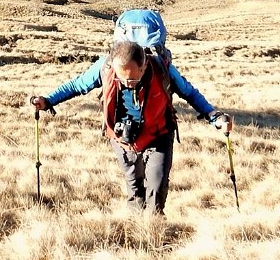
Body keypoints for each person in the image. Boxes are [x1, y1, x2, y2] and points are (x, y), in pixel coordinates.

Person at [30, 38, 232, 215]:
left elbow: (189, 93)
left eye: (133, 78)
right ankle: (137, 233)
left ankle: (154, 233)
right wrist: (47, 101)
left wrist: (215, 117)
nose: (127, 83)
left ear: (144, 65)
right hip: (122, 140)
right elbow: (76, 86)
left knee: (156, 189)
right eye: (122, 78)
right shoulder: (105, 68)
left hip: (158, 135)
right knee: (135, 191)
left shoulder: (161, 67)